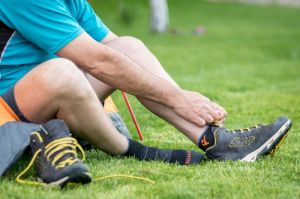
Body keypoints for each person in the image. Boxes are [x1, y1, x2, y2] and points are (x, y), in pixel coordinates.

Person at [0, 0, 292, 186]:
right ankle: (138, 151)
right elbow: (97, 61)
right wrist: (179, 98)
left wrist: (178, 97)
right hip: (9, 109)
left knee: (129, 47)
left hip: (51, 95)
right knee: (63, 72)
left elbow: (120, 56)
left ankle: (215, 140)